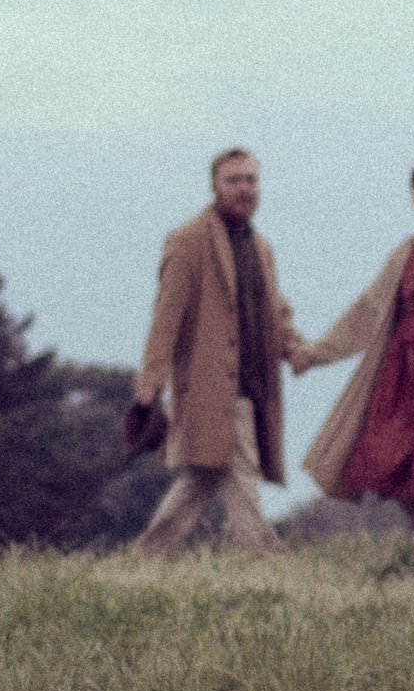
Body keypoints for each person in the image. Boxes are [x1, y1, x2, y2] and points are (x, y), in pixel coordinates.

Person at [296, 157, 414, 535]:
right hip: (400, 369)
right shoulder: (405, 252)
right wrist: (315, 354)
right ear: (413, 194)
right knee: (383, 452)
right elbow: (368, 309)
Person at [128, 146, 304, 557]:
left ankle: (146, 559)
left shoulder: (261, 248)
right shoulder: (187, 241)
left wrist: (292, 346)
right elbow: (165, 317)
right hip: (210, 386)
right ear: (214, 187)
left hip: (255, 384)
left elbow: (273, 309)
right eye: (233, 180)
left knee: (204, 477)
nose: (244, 188)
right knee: (240, 473)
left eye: (250, 180)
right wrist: (150, 382)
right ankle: (270, 562)